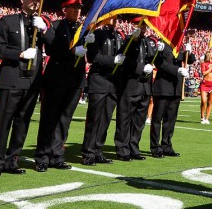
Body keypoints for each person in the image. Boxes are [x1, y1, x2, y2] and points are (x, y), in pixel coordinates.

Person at [0, 0, 47, 177]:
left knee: (22, 123)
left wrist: (46, 30)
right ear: (21, 0)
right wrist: (20, 53)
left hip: (31, 83)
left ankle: (11, 160)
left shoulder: (41, 24)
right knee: (2, 122)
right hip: (11, 79)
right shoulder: (8, 21)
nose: (34, 2)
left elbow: (56, 47)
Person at [34, 0, 87, 171]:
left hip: (74, 81)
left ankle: (57, 155)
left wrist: (90, 43)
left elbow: (92, 53)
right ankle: (42, 156)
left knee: (64, 120)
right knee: (49, 119)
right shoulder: (55, 26)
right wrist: (72, 52)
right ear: (64, 9)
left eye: (78, 8)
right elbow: (52, 49)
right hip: (56, 80)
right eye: (73, 7)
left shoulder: (83, 29)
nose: (76, 11)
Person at [81, 16, 125, 165]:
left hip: (113, 83)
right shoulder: (98, 34)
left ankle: (98, 150)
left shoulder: (119, 36)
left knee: (105, 119)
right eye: (112, 17)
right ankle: (88, 152)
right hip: (99, 80)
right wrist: (112, 60)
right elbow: (92, 57)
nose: (114, 20)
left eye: (116, 18)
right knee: (94, 119)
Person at [114, 20, 155, 161]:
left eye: (144, 25)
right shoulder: (128, 41)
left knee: (139, 121)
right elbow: (123, 58)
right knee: (124, 119)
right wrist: (133, 40)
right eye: (140, 25)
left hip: (144, 86)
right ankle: (122, 149)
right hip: (130, 86)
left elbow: (151, 57)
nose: (143, 28)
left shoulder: (147, 42)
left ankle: (133, 148)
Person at [150, 38, 195, 158]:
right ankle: (155, 147)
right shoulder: (162, 43)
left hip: (176, 88)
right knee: (157, 119)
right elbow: (159, 63)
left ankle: (166, 146)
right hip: (163, 87)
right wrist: (177, 70)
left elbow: (191, 60)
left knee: (170, 120)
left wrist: (189, 52)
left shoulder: (179, 44)